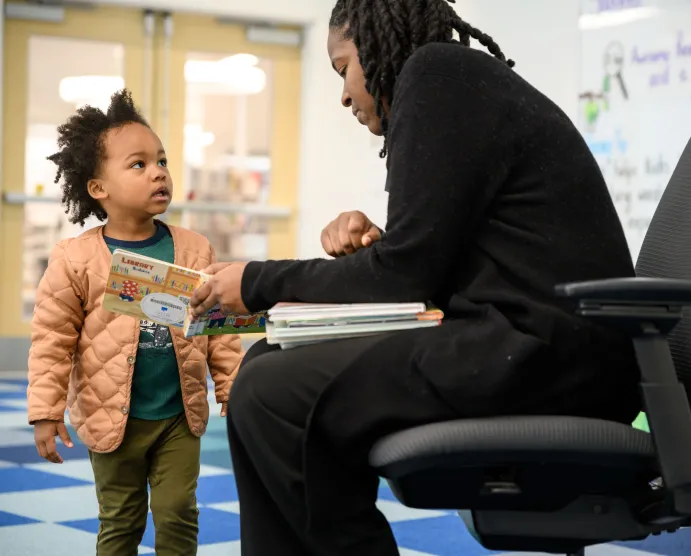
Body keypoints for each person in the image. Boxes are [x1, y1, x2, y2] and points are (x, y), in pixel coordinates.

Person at [189, 0, 641, 554]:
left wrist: (256, 281)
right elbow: (421, 263)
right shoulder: (449, 80)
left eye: (342, 68)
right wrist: (376, 241)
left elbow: (403, 275)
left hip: (547, 354)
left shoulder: (435, 73)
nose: (344, 94)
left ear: (377, 45)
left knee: (271, 390)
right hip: (528, 340)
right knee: (266, 367)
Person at [27, 89, 243, 556]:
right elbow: (52, 339)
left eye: (161, 160)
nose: (159, 171)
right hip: (109, 417)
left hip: (178, 415)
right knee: (121, 520)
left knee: (177, 511)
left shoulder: (194, 249)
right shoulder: (76, 258)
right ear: (98, 189)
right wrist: (45, 411)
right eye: (138, 164)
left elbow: (217, 324)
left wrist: (233, 385)